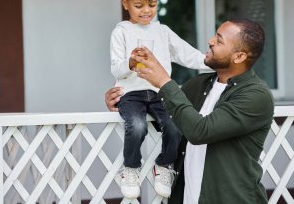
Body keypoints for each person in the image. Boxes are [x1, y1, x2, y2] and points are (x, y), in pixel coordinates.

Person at [106, 18, 274, 204]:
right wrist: (126, 99)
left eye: (219, 41)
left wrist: (163, 81)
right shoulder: (198, 85)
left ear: (239, 57)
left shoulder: (256, 95)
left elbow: (200, 131)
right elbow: (168, 115)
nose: (210, 41)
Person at [110, 0, 211, 199]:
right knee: (137, 126)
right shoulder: (121, 32)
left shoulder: (162, 31)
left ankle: (164, 166)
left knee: (176, 125)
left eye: (152, 4)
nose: (146, 11)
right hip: (130, 94)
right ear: (125, 3)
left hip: (159, 92)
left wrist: (212, 63)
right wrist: (131, 63)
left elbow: (187, 54)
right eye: (138, 5)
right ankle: (131, 168)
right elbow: (116, 67)